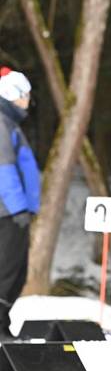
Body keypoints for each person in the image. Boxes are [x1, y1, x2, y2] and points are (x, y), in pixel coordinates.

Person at [0, 68, 39, 341]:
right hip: (8, 213)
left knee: (16, 271)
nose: (28, 101)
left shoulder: (9, 124)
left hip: (13, 212)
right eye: (25, 95)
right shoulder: (2, 124)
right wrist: (18, 209)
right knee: (8, 270)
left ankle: (3, 323)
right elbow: (3, 169)